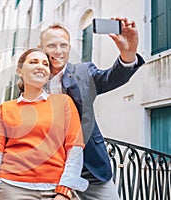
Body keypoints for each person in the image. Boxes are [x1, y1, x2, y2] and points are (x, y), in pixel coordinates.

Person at [39, 18, 145, 199]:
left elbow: (110, 78)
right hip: (46, 166)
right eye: (51, 45)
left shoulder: (83, 71)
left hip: (88, 166)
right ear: (41, 48)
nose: (58, 51)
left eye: (63, 45)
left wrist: (129, 54)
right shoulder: (34, 78)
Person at [0, 48, 88, 200]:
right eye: (33, 62)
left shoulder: (64, 103)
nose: (41, 66)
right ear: (20, 71)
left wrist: (64, 192)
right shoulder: (5, 109)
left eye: (45, 64)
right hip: (12, 188)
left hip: (56, 189)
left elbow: (75, 148)